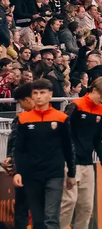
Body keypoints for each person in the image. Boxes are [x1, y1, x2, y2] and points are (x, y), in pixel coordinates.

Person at [11, 79, 75, 229]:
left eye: (42, 93)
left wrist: (71, 173)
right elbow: (19, 148)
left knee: (51, 218)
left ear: (50, 95)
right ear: (32, 96)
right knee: (38, 221)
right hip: (31, 175)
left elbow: (68, 146)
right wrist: (17, 171)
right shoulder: (23, 119)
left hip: (54, 173)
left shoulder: (61, 118)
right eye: (35, 93)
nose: (39, 96)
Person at [60, 76, 102, 229]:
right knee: (69, 202)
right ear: (94, 90)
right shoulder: (75, 105)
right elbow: (64, 133)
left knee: (87, 206)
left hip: (87, 163)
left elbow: (98, 139)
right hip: (70, 161)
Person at [4, 84, 34, 229]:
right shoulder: (20, 119)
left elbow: (15, 145)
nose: (21, 106)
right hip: (28, 170)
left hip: (32, 170)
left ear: (27, 100)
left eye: (21, 102)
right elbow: (14, 144)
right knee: (23, 208)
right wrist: (10, 159)